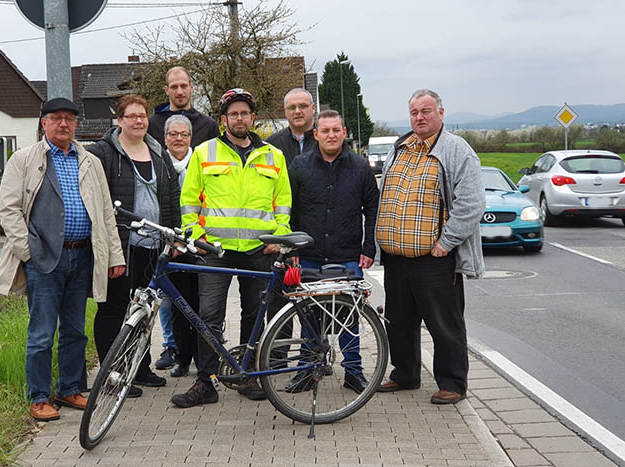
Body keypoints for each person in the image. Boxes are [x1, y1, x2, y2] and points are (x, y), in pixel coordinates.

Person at [0, 97, 126, 421]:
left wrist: (114, 255)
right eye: (56, 119)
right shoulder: (25, 160)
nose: (63, 124)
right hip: (44, 260)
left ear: (76, 124)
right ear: (44, 123)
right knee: (41, 334)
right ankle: (39, 397)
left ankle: (70, 389)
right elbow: (8, 209)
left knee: (75, 331)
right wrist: (29, 252)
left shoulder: (89, 161)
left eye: (69, 119)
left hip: (81, 256)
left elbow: (106, 212)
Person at [171, 88, 291, 408]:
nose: (240, 118)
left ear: (253, 118)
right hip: (216, 250)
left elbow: (283, 205)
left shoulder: (273, 156)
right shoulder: (204, 152)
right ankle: (206, 382)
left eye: (245, 113)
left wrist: (278, 236)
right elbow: (189, 201)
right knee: (209, 315)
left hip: (258, 249)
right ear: (224, 120)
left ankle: (246, 375)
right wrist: (196, 235)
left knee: (253, 314)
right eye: (233, 114)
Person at [376, 89, 485, 404]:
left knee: (444, 323)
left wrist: (446, 242)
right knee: (399, 321)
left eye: (425, 111)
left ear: (441, 112)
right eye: (414, 112)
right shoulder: (401, 148)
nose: (419, 117)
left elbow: (471, 204)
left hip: (435, 258)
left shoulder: (456, 150)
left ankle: (452, 382)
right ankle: (405, 374)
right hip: (398, 257)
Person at [86, 94, 181, 398]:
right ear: (120, 120)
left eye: (142, 116)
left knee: (145, 309)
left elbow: (171, 196)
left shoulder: (157, 151)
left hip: (153, 245)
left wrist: (174, 235)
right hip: (121, 244)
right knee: (114, 309)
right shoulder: (104, 153)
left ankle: (139, 368)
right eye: (132, 116)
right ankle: (112, 375)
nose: (139, 121)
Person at [286, 109, 379, 394]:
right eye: (325, 131)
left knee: (348, 318)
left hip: (347, 254)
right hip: (309, 253)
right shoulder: (299, 166)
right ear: (316, 134)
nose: (331, 135)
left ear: (344, 132)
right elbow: (290, 209)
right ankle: (306, 371)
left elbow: (372, 208)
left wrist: (368, 246)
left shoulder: (361, 167)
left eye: (336, 130)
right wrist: (292, 249)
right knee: (309, 317)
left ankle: (353, 372)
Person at [159, 114, 200, 378]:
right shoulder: (158, 163)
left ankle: (203, 356)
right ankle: (181, 357)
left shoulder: (200, 162)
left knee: (201, 305)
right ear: (165, 138)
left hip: (198, 244)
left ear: (190, 138)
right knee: (174, 304)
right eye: (173, 134)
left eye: (183, 134)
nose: (178, 139)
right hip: (169, 246)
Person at [147, 66, 219, 150]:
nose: (179, 92)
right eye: (174, 87)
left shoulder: (209, 126)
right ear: (166, 90)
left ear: (191, 87)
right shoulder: (152, 125)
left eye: (183, 86)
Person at [266, 88, 318, 165]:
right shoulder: (271, 145)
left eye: (303, 106)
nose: (297, 111)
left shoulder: (329, 140)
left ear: (313, 108)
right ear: (285, 112)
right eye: (291, 108)